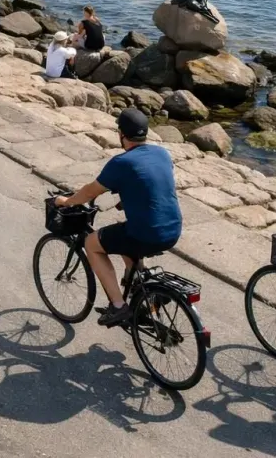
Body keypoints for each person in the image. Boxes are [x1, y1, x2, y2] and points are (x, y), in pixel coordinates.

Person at [54, 109, 182, 326]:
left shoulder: (121, 162)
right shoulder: (162, 153)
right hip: (173, 229)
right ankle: (143, 286)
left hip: (147, 233)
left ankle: (118, 306)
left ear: (122, 134)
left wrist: (67, 201)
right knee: (122, 235)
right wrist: (128, 200)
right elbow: (151, 183)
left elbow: (90, 192)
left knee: (91, 243)